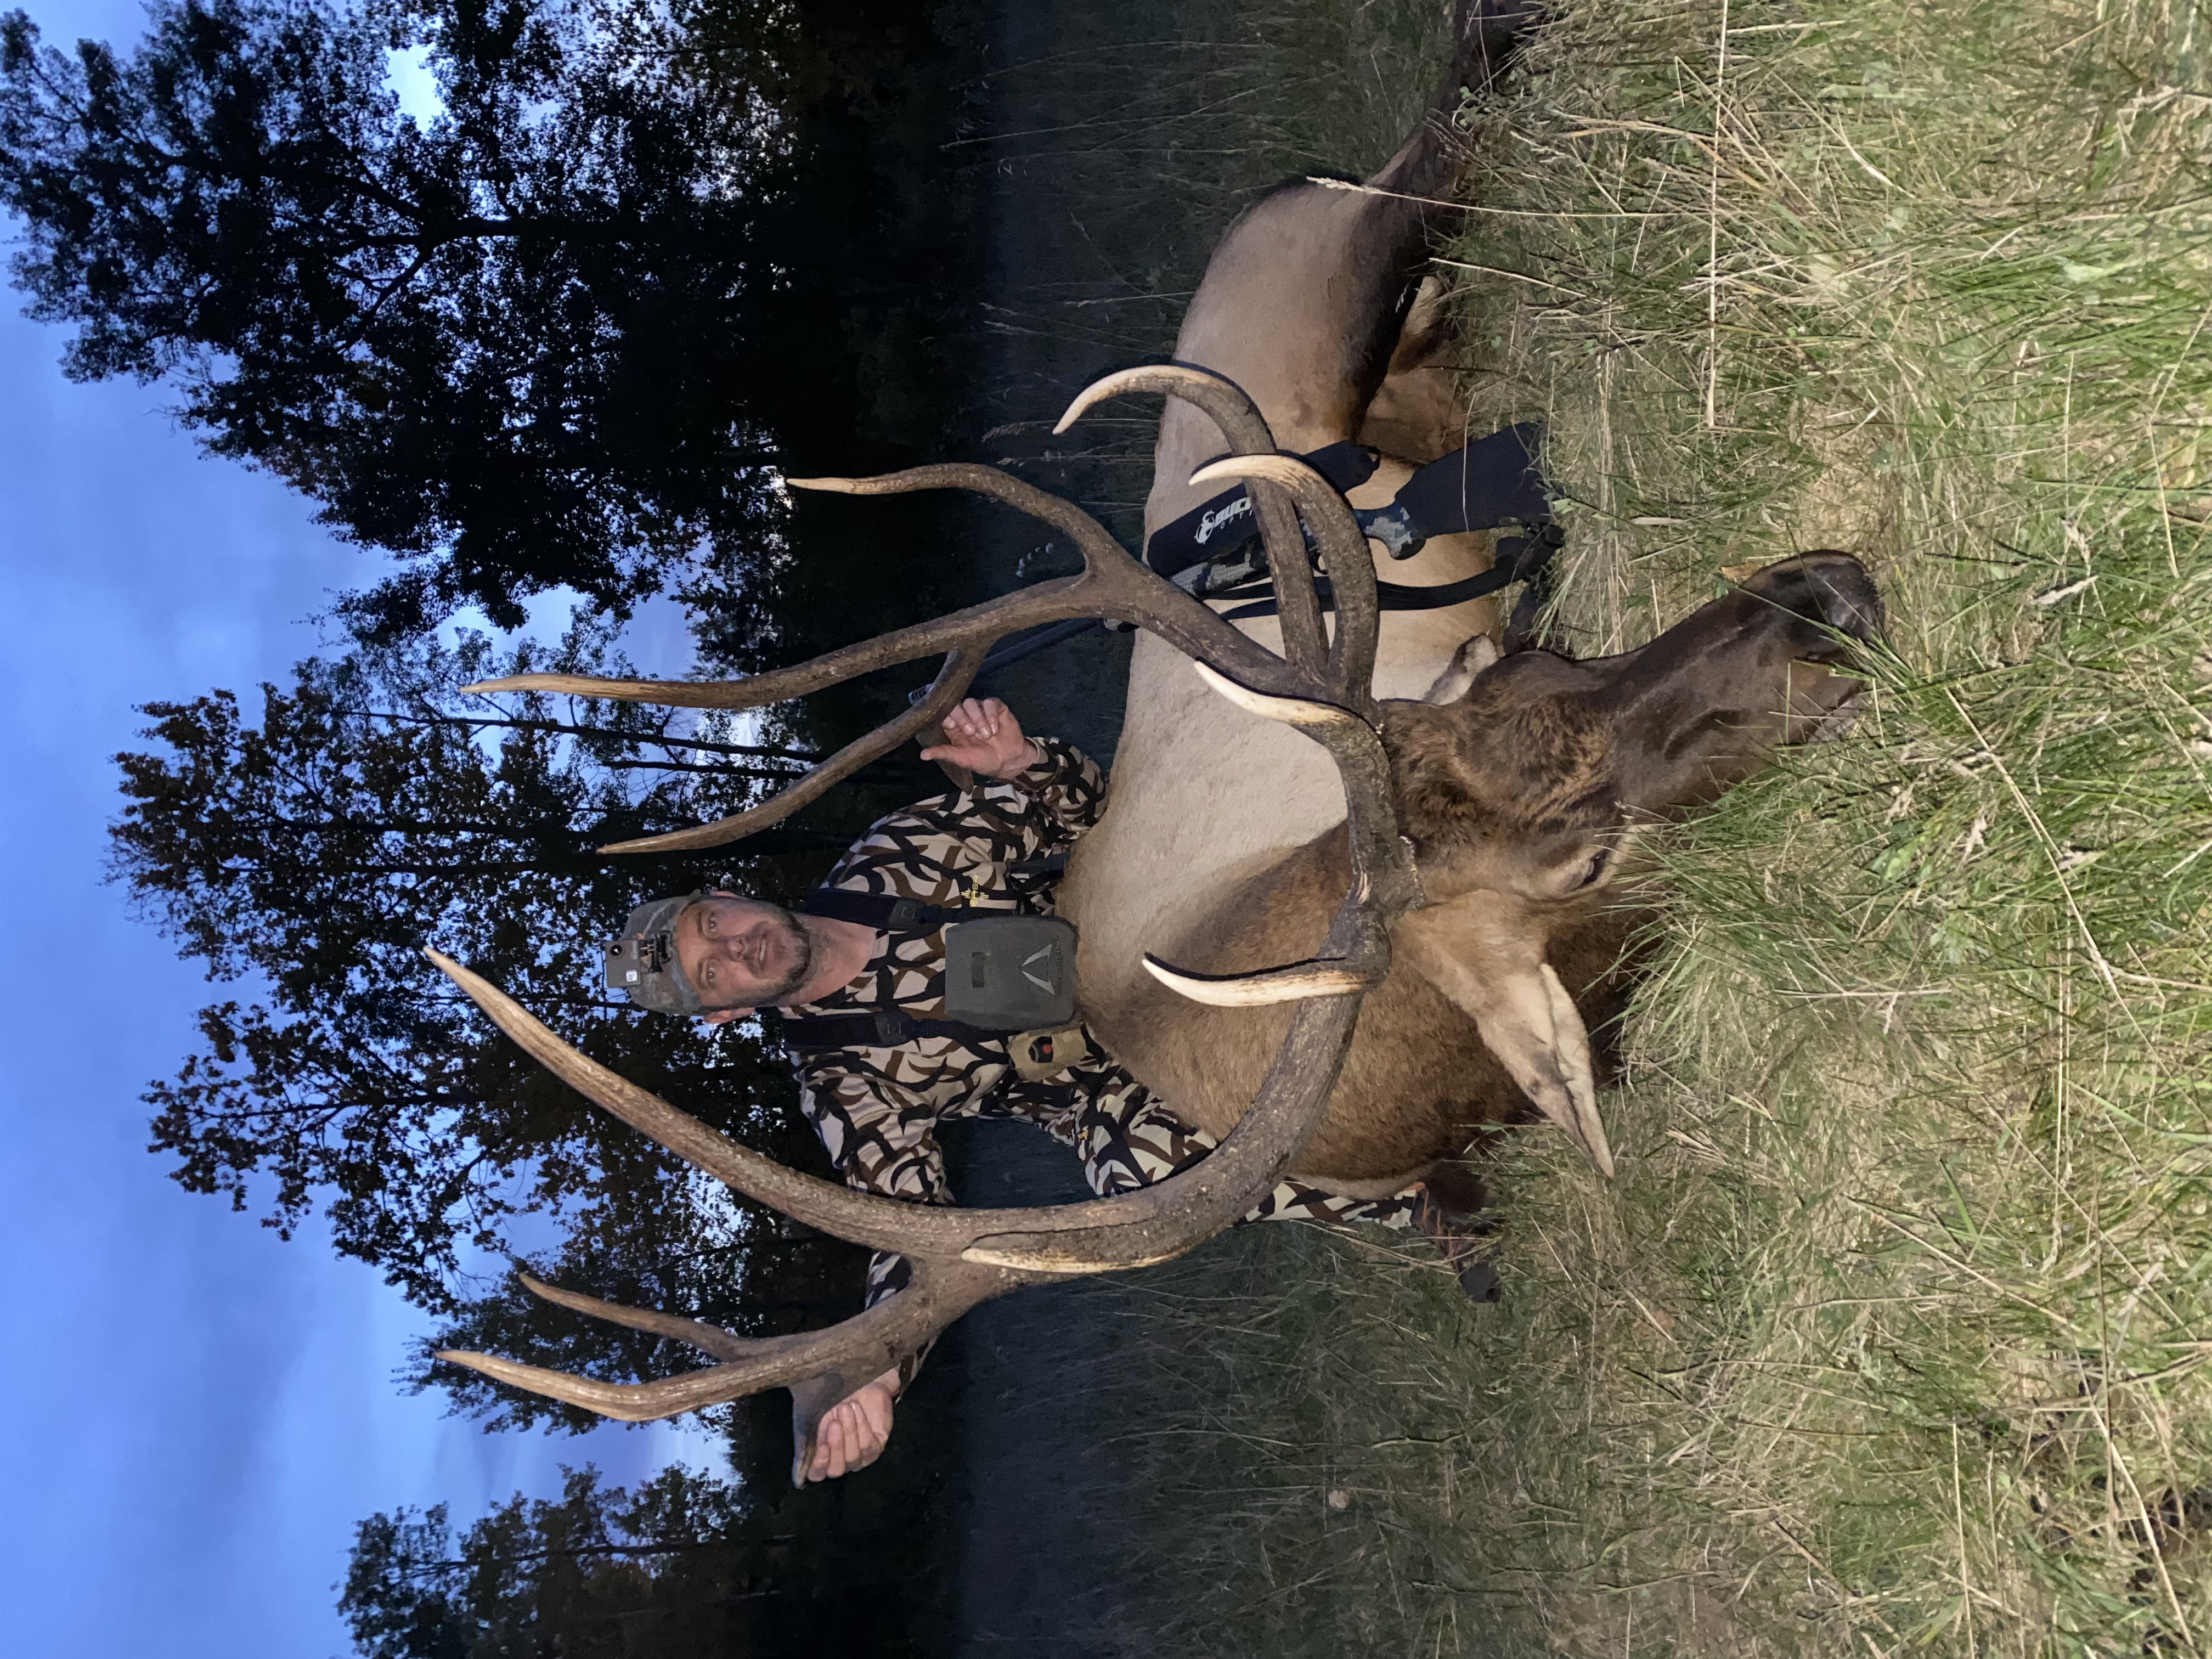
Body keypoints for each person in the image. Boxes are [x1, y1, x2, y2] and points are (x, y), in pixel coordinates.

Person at [608, 697, 1479, 1482]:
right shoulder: (841, 1082)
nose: (735, 948)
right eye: (711, 973)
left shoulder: (889, 858)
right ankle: (1411, 1206)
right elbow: (907, 1232)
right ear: (722, 1015)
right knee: (1143, 1186)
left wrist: (1023, 762)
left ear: (727, 894)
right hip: (1089, 1083)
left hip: (1121, 930)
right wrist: (877, 1368)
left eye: (712, 926)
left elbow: (1069, 804)